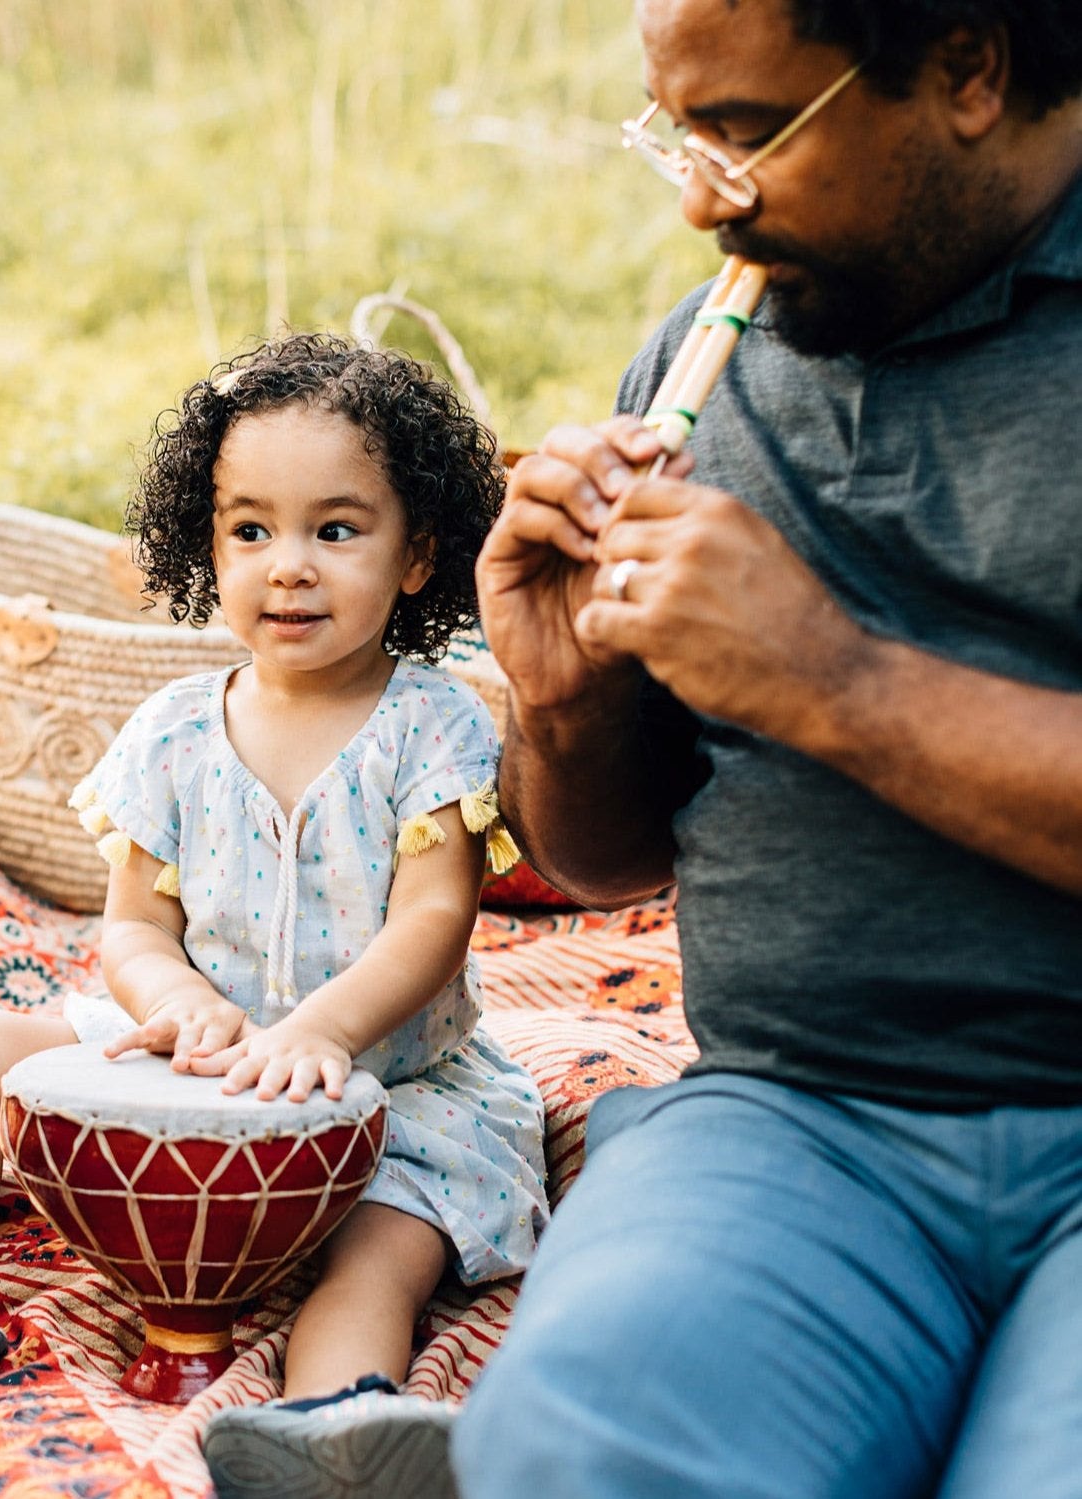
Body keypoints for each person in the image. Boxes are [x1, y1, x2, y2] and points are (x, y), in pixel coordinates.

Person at [453, 2, 1082, 1497]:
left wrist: (835, 679)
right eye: (681, 133)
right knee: (571, 1445)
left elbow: (816, 682)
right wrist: (562, 699)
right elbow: (602, 858)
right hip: (800, 1114)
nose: (699, 198)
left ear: (972, 70)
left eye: (749, 135)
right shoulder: (715, 353)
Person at [0, 332, 548, 1497]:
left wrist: (323, 1030)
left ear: (418, 557)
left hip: (389, 1082)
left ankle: (331, 1419)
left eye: (336, 529)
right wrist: (181, 1002)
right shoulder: (169, 729)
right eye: (250, 529)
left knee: (382, 1243)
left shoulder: (434, 724)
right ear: (205, 545)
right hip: (196, 1056)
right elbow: (133, 931)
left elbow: (435, 919)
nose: (288, 565)